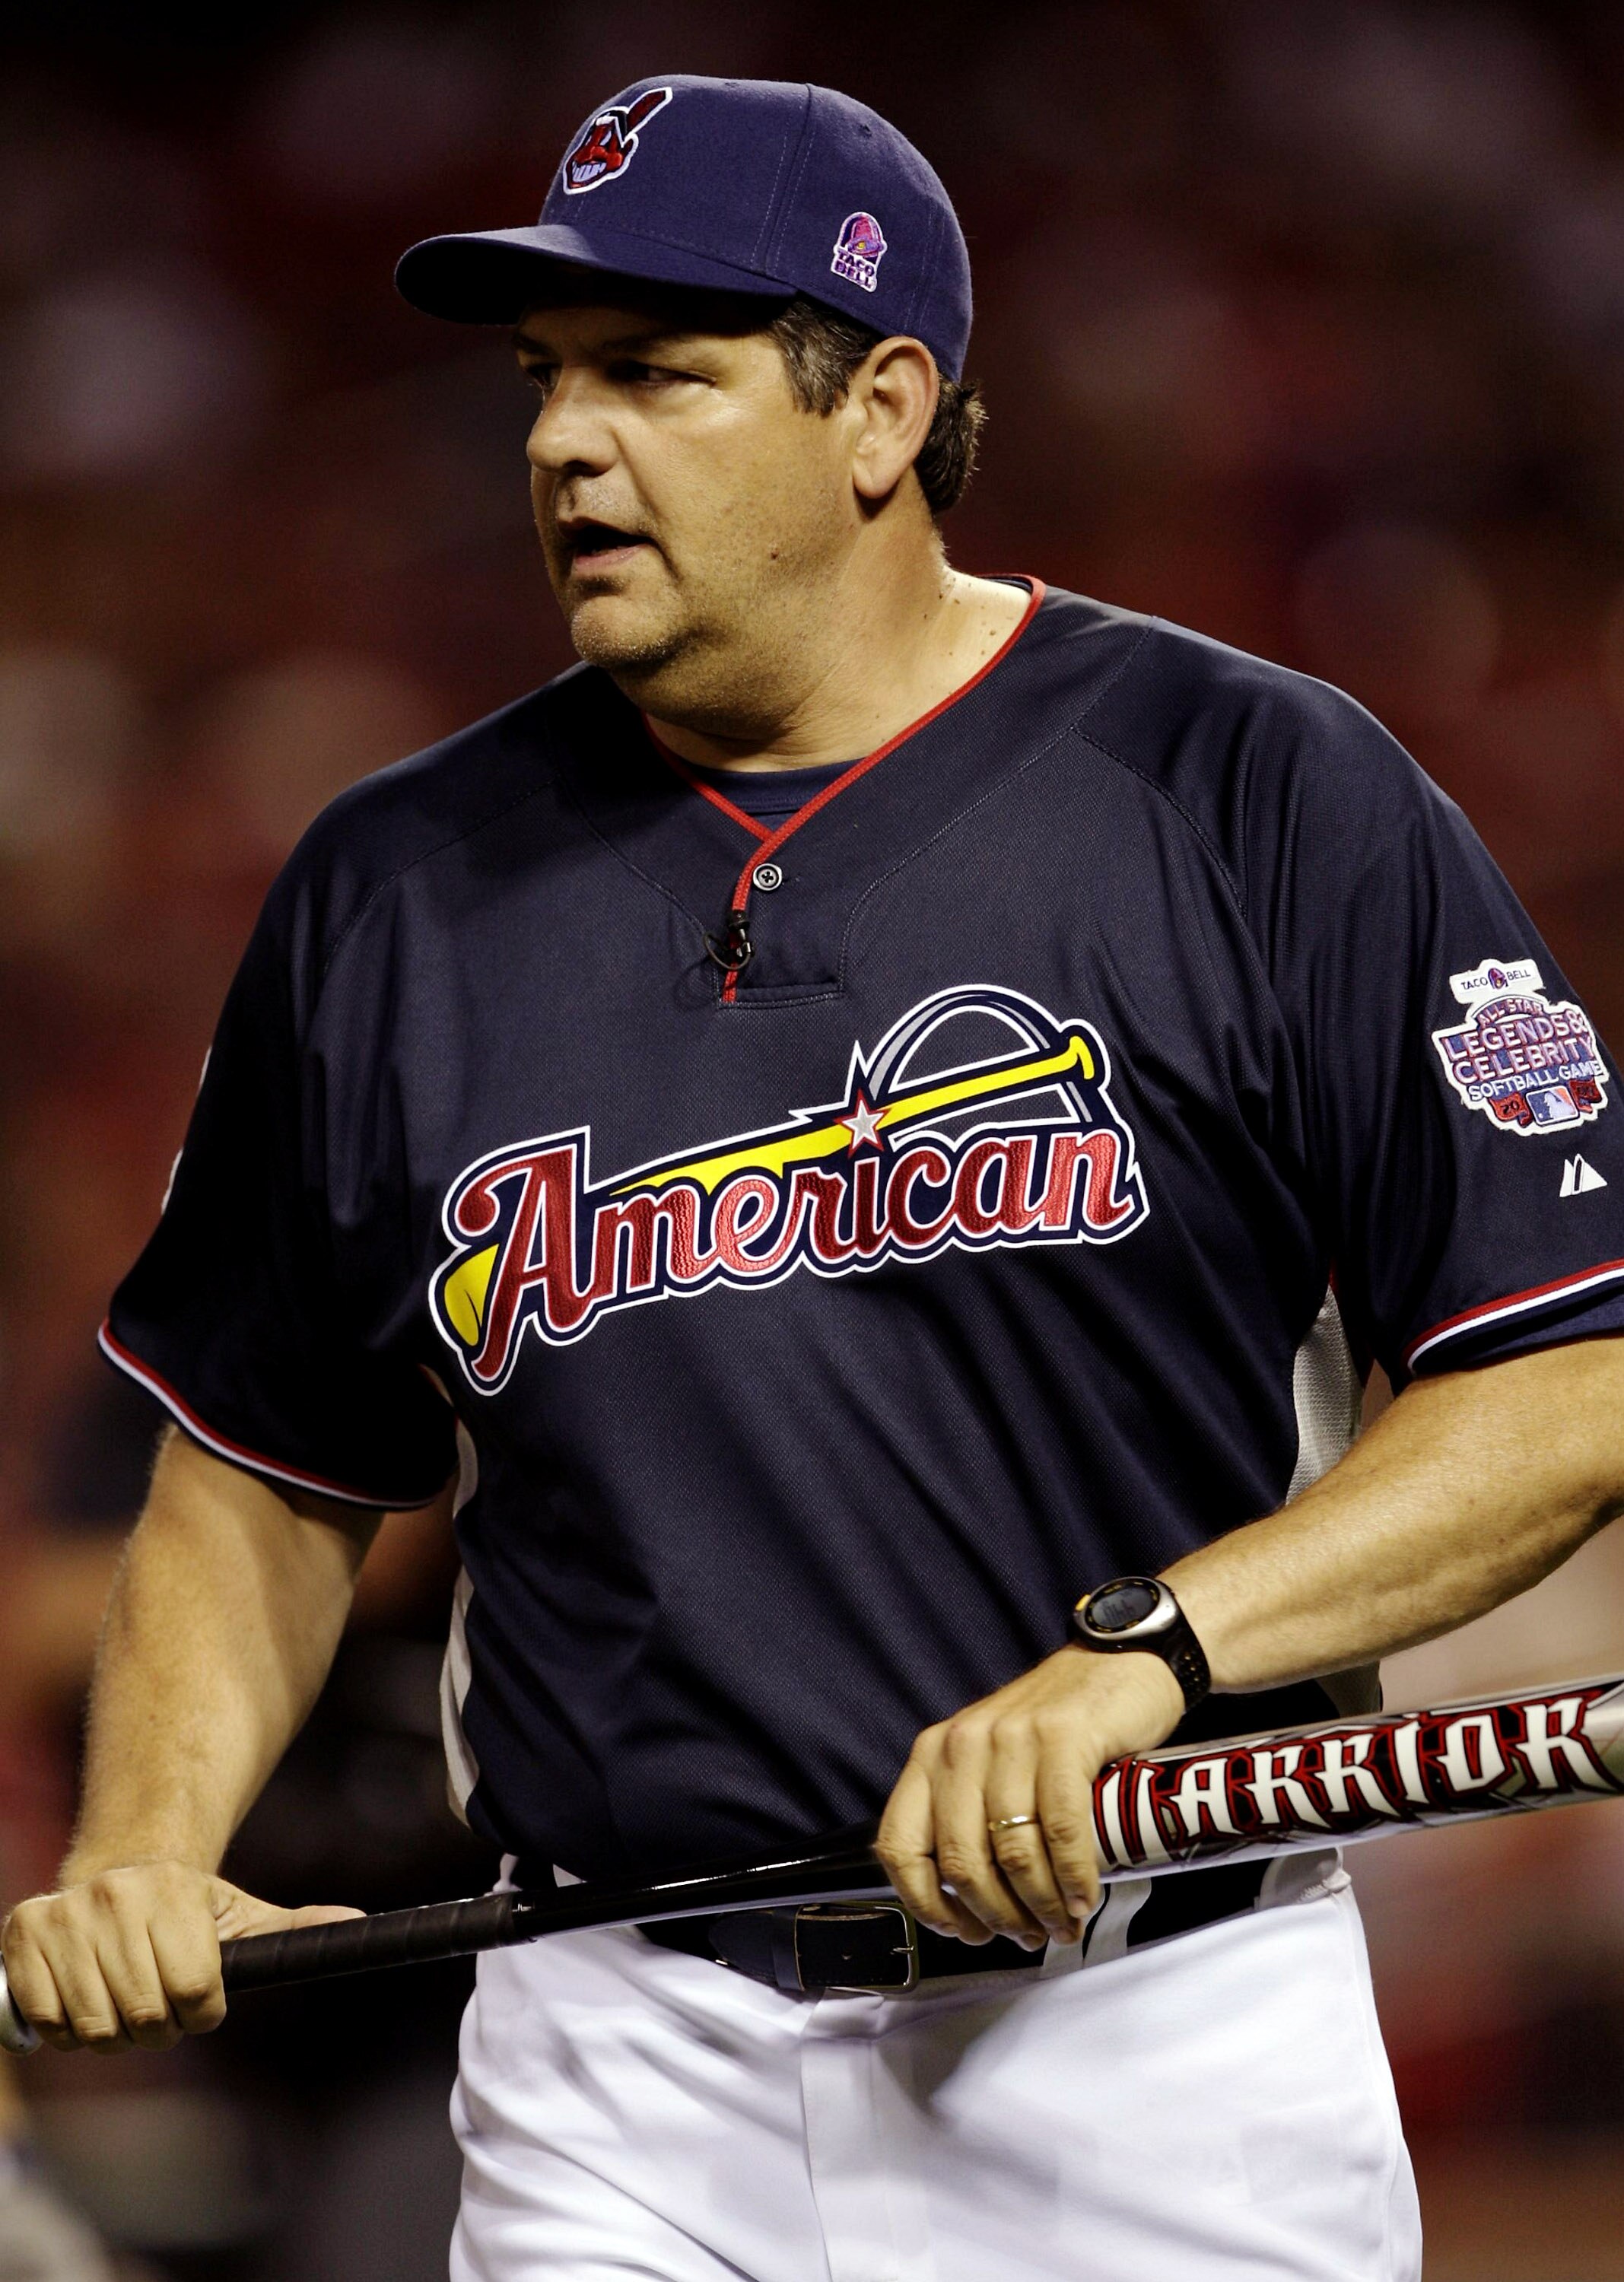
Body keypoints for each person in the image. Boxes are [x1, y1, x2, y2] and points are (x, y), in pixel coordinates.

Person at [6, 74, 1624, 2282]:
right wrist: (147, 1845)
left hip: (1151, 2030)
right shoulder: (394, 886)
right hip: (616, 2050)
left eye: (659, 376)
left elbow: (1564, 1381)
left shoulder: (1252, 785)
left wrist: (1150, 1653)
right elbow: (263, 1468)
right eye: (546, 385)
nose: (570, 444)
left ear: (881, 413)